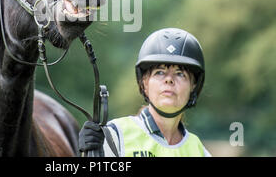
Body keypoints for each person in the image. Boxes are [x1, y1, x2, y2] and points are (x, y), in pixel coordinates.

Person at [79, 28, 211, 157]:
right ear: (144, 83)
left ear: (193, 86)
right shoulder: (114, 136)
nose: (169, 80)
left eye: (180, 74)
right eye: (159, 72)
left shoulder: (199, 151)